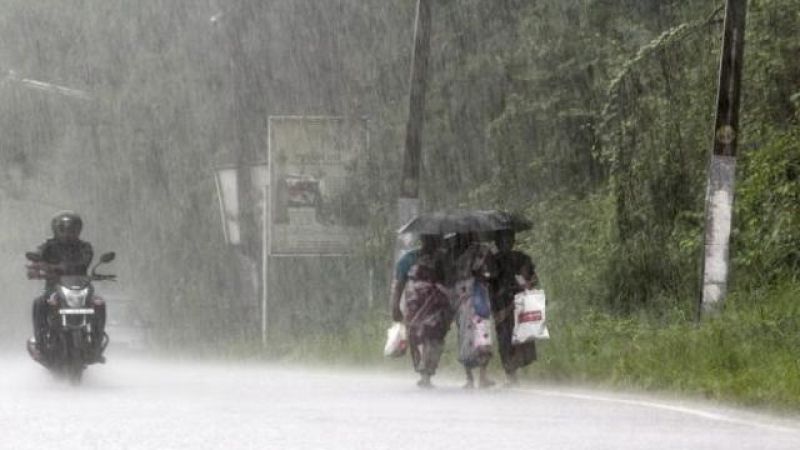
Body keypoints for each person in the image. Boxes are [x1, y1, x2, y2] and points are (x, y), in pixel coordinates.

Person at [28, 211, 106, 363]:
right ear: (56, 229)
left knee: (99, 304)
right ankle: (41, 343)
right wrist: (34, 269)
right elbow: (35, 260)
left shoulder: (85, 246)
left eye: (72, 229)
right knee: (39, 302)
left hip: (81, 287)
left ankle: (96, 344)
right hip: (54, 287)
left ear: (78, 230)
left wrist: (56, 267)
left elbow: (84, 262)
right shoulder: (47, 245)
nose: (68, 232)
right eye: (64, 229)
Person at [391, 234, 451, 388]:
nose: (431, 243)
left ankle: (427, 373)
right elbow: (399, 285)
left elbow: (449, 282)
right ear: (422, 240)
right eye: (428, 240)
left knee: (434, 337)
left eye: (434, 240)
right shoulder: (408, 259)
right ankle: (422, 370)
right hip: (415, 307)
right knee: (416, 337)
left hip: (437, 306)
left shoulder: (444, 260)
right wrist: (395, 306)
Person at [490, 229, 538, 385]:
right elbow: (488, 281)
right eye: (502, 240)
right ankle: (511, 375)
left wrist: (527, 285)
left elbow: (533, 278)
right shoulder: (493, 261)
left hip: (519, 303)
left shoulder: (522, 258)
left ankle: (514, 372)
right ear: (497, 242)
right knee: (504, 339)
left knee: (521, 337)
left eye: (508, 239)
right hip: (500, 304)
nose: (505, 243)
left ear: (512, 241)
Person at [450, 232, 497, 389]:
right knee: (473, 334)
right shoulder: (479, 252)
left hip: (469, 296)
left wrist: (482, 274)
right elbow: (492, 273)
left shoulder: (457, 253)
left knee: (471, 334)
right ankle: (475, 377)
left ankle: (475, 377)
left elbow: (492, 272)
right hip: (470, 297)